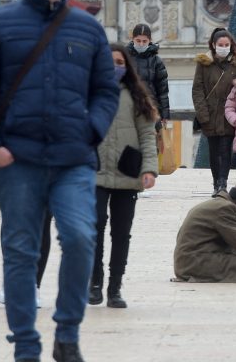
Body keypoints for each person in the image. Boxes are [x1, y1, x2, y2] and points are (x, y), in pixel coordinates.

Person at [0, 0, 120, 362]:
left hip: (73, 158)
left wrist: (91, 131)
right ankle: (25, 344)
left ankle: (67, 332)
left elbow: (106, 90)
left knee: (81, 238)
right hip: (17, 159)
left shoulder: (87, 28)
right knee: (20, 252)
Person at [89, 42, 160, 309]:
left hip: (127, 172)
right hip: (93, 172)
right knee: (93, 229)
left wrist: (149, 169)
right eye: (109, 62)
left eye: (119, 63)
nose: (114, 68)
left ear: (126, 67)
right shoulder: (87, 93)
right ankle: (94, 282)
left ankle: (114, 287)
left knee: (121, 233)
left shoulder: (137, 96)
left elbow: (146, 136)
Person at [192, 28, 236, 196]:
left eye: (226, 44)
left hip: (230, 113)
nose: (223, 47)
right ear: (214, 45)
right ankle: (216, 183)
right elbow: (197, 89)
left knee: (225, 149)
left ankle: (222, 183)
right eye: (220, 45)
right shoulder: (204, 63)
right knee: (214, 151)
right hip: (211, 113)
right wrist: (202, 114)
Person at [126, 23, 170, 130]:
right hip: (128, 107)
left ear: (150, 40)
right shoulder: (125, 57)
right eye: (138, 41)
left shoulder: (156, 61)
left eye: (144, 41)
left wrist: (165, 113)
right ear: (132, 39)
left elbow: (162, 90)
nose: (141, 44)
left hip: (150, 108)